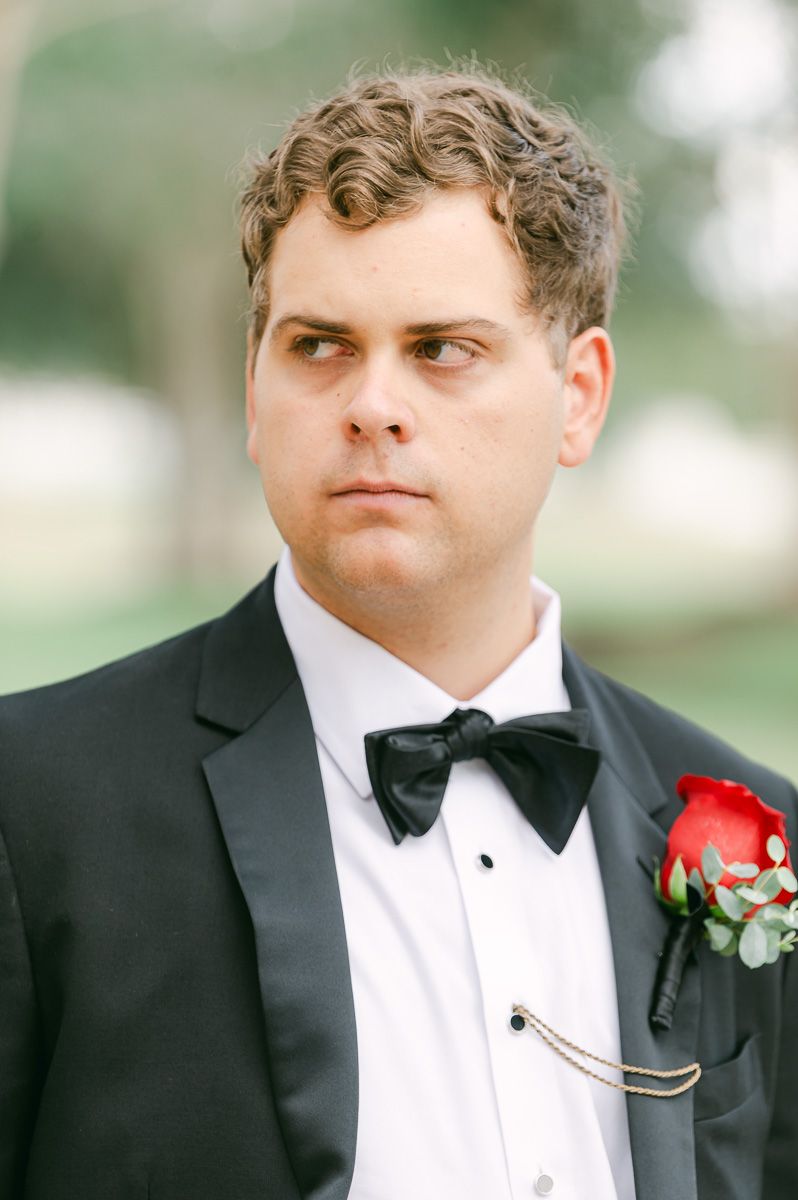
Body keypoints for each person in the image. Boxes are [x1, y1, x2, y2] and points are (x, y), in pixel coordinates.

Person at [1, 64, 795, 1200]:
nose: (372, 403)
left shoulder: (753, 830)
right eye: (319, 345)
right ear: (253, 387)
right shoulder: (30, 809)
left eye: (441, 349)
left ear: (579, 395)